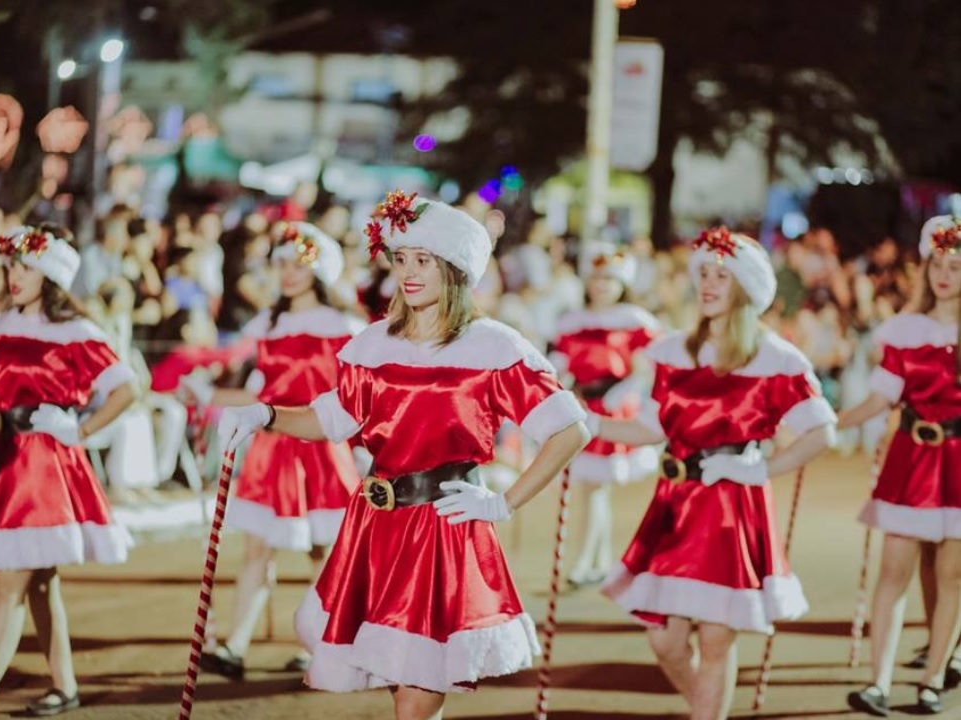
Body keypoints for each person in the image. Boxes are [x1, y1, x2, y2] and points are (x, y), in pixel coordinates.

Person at [214, 191, 590, 720]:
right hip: (375, 524)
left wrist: (504, 502)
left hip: (442, 529)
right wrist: (266, 414)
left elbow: (570, 430)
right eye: (401, 259)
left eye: (424, 261)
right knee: (401, 687)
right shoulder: (373, 343)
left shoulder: (493, 345)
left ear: (454, 269)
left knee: (415, 694)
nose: (408, 273)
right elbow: (331, 420)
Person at [596, 227, 837, 720]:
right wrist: (577, 423)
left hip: (731, 506)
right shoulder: (673, 352)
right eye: (703, 273)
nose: (707, 284)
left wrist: (762, 469)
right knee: (664, 640)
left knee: (715, 638)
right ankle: (707, 709)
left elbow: (821, 432)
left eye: (721, 276)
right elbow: (649, 427)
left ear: (745, 287)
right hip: (677, 503)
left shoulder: (775, 358)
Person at [0, 225, 137, 720]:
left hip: (39, 470)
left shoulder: (76, 332)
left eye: (25, 268)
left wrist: (80, 431)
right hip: (1, 460)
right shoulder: (3, 325)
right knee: (40, 584)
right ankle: (64, 686)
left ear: (51, 274)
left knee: (10, 585)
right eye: (11, 267)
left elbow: (128, 389)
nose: (14, 276)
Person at [181, 221, 364, 679]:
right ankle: (235, 646)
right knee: (258, 549)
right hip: (271, 450)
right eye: (281, 263)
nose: (287, 273)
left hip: (321, 448)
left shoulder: (344, 328)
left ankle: (322, 641)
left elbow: (356, 396)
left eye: (297, 264)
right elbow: (261, 395)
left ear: (318, 269)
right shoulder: (267, 325)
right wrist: (209, 397)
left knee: (322, 551)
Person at [840, 215, 961, 716]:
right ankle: (879, 683)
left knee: (953, 576)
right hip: (911, 459)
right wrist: (828, 422)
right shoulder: (905, 330)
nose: (945, 274)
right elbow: (880, 399)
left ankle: (934, 677)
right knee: (893, 572)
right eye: (938, 264)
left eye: (956, 265)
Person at [549, 242, 661, 587]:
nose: (601, 286)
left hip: (614, 408)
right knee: (593, 488)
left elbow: (649, 366)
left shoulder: (633, 321)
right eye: (596, 279)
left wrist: (626, 387)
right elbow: (560, 361)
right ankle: (598, 560)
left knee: (595, 487)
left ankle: (586, 562)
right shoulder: (571, 321)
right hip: (581, 406)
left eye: (609, 280)